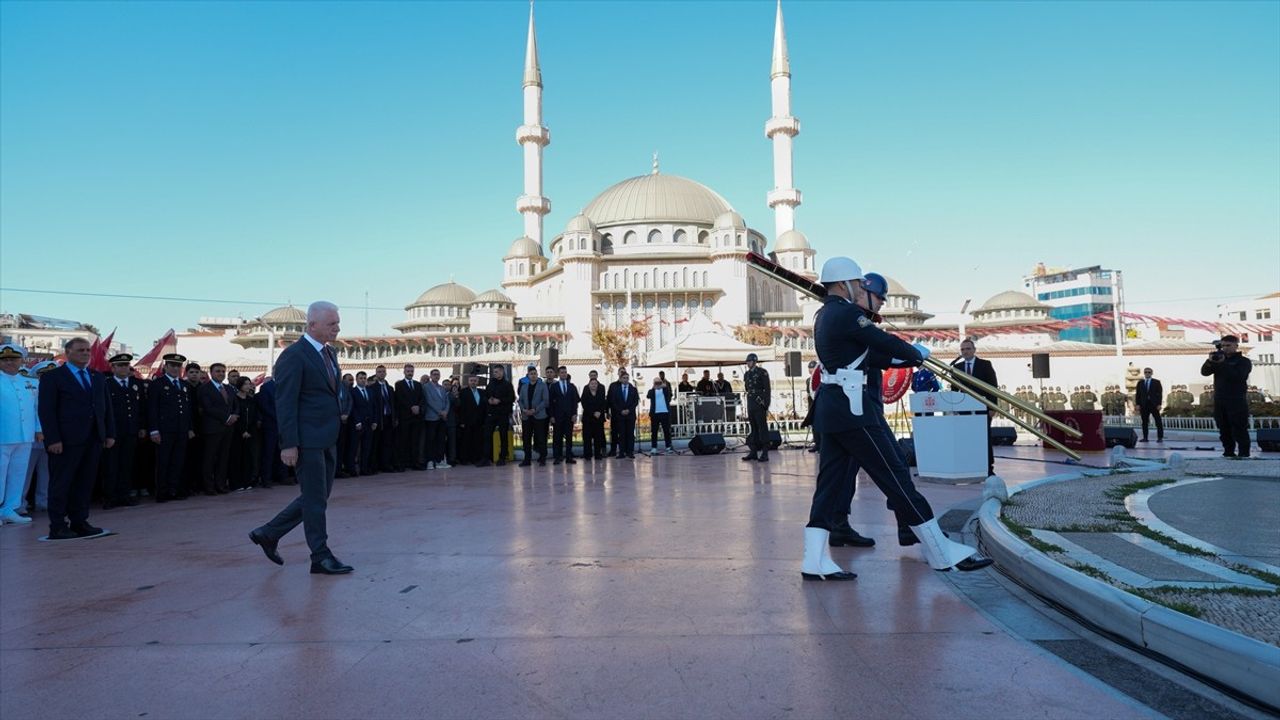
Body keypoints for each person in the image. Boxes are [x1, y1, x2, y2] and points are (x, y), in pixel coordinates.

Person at [806, 257, 990, 580]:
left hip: (832, 411)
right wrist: (914, 352)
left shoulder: (824, 315)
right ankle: (940, 551)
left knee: (829, 485)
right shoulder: (847, 313)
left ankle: (813, 559)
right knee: (895, 476)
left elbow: (872, 355)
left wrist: (910, 360)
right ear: (845, 283)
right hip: (855, 413)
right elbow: (881, 341)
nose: (860, 289)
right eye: (858, 284)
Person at [249, 301, 352, 575]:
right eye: (332, 324)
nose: (337, 328)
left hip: (327, 436)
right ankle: (320, 556)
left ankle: (269, 533)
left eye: (337, 323)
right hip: (306, 440)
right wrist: (289, 443)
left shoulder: (329, 354)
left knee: (316, 497)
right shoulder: (294, 355)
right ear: (312, 325)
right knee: (315, 499)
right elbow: (286, 402)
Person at [37, 337, 116, 540]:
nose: (86, 353)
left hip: (92, 438)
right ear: (68, 352)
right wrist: (53, 439)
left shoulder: (96, 377)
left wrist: (108, 433)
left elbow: (105, 408)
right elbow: (47, 411)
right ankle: (58, 525)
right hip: (65, 440)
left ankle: (80, 521)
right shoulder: (53, 377)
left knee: (85, 482)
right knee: (61, 483)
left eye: (88, 350)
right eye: (80, 350)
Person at [0, 344, 40, 525]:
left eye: (13, 359)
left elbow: (37, 408)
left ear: (21, 361)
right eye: (5, 359)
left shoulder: (30, 382)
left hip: (25, 435)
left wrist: (39, 429)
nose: (9, 362)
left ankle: (9, 509)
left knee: (18, 474)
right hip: (3, 435)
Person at [148, 354, 194, 502]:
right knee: (163, 462)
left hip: (181, 429)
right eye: (172, 365)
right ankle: (162, 492)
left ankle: (174, 489)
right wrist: (154, 430)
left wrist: (189, 428)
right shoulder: (157, 384)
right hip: (164, 429)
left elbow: (188, 409)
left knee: (178, 461)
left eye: (178, 366)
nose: (175, 368)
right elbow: (152, 408)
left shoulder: (184, 385)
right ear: (166, 367)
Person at [101, 353, 145, 509]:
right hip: (114, 431)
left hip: (131, 430)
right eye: (120, 365)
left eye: (126, 365)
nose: (124, 368)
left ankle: (124, 494)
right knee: (111, 465)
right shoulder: (106, 384)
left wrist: (141, 427)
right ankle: (110, 496)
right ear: (112, 368)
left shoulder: (136, 384)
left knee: (127, 464)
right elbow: (104, 410)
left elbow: (141, 408)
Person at [950, 338, 998, 477]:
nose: (965, 351)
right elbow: (954, 390)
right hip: (964, 411)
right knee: (967, 439)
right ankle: (969, 466)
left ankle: (988, 468)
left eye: (968, 349)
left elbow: (993, 387)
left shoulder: (985, 365)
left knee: (984, 439)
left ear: (974, 350)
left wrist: (992, 407)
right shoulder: (957, 368)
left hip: (982, 410)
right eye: (963, 349)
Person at [1201, 335, 1253, 458]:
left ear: (1236, 346)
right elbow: (1204, 372)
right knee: (1223, 428)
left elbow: (1238, 376)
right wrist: (1210, 361)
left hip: (1236, 400)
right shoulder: (1218, 359)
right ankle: (1228, 452)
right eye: (1223, 345)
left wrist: (1223, 363)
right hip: (1220, 400)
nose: (1225, 348)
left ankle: (1244, 453)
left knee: (1239, 428)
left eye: (1228, 345)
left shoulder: (1243, 361)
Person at [22, 360, 58, 515]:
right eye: (43, 375)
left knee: (47, 472)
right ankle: (19, 503)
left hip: (51, 438)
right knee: (24, 473)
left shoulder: (57, 392)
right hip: (31, 438)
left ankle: (44, 501)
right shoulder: (30, 391)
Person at [197, 362, 239, 495]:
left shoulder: (229, 388)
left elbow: (235, 405)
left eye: (222, 371)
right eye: (218, 371)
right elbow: (208, 408)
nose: (221, 373)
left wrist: (234, 415)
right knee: (210, 458)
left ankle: (220, 484)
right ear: (211, 373)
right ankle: (209, 486)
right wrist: (226, 417)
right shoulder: (205, 388)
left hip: (228, 429)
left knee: (223, 457)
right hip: (213, 428)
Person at [477, 365, 515, 466]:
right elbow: (485, 396)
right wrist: (489, 400)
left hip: (503, 413)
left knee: (503, 435)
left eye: (497, 372)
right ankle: (486, 458)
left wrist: (500, 400)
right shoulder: (490, 384)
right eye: (494, 372)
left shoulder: (507, 385)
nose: (495, 374)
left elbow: (511, 398)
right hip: (491, 413)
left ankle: (502, 457)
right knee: (487, 435)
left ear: (502, 372)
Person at [229, 376, 259, 490]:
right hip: (237, 433)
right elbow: (236, 416)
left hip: (249, 433)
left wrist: (249, 430)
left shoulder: (251, 400)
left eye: (249, 383)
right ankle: (236, 483)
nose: (248, 386)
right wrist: (242, 431)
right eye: (245, 384)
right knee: (236, 458)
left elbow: (253, 416)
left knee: (248, 458)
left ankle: (247, 481)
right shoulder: (235, 399)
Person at [741, 353, 771, 462]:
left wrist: (766, 404)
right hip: (751, 402)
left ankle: (765, 452)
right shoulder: (747, 374)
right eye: (747, 361)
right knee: (753, 427)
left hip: (759, 403)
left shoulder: (762, 373)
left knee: (762, 427)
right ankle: (753, 451)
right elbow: (747, 388)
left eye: (749, 361)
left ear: (754, 362)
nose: (748, 363)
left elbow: (767, 389)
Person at [394, 364, 423, 471]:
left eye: (411, 371)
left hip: (416, 418)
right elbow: (400, 399)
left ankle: (415, 463)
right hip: (405, 417)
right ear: (404, 372)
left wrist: (418, 407)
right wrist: (411, 407)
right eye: (408, 371)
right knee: (403, 442)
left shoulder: (418, 385)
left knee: (415, 441)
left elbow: (421, 398)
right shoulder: (399, 385)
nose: (410, 373)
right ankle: (402, 464)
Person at [518, 365, 549, 467]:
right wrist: (523, 409)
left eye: (535, 374)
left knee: (541, 438)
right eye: (531, 374)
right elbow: (520, 400)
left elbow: (545, 401)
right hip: (526, 416)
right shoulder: (524, 386)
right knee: (526, 438)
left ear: (537, 375)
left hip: (539, 415)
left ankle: (542, 458)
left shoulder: (543, 386)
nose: (533, 375)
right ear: (528, 376)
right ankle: (527, 459)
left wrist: (535, 410)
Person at [548, 365, 579, 464]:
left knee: (569, 437)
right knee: (557, 437)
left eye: (565, 372)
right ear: (558, 374)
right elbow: (550, 402)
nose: (564, 374)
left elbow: (575, 401)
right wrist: (551, 416)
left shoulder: (572, 386)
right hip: (557, 416)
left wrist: (575, 414)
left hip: (569, 416)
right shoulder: (554, 386)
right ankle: (558, 457)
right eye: (562, 372)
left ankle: (569, 457)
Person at [369, 365, 396, 473]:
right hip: (378, 419)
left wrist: (395, 418)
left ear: (386, 373)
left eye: (383, 371)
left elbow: (393, 404)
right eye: (379, 372)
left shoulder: (390, 388)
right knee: (376, 443)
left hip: (388, 418)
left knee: (387, 443)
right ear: (376, 373)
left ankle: (386, 465)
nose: (381, 373)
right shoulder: (372, 388)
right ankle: (375, 466)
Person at [347, 371, 376, 475]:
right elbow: (352, 407)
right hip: (357, 424)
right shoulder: (352, 391)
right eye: (361, 378)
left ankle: (364, 469)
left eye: (364, 378)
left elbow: (374, 406)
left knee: (367, 447)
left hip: (369, 424)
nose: (363, 380)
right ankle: (352, 469)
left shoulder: (370, 391)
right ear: (357, 379)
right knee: (354, 447)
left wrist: (374, 421)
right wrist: (357, 421)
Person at [422, 369, 451, 469]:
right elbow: (429, 401)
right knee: (430, 440)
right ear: (430, 376)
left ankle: (439, 460)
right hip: (431, 417)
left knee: (441, 440)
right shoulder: (426, 387)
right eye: (434, 374)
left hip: (442, 418)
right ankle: (430, 461)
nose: (436, 376)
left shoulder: (442, 388)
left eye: (438, 374)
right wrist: (440, 412)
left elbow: (447, 401)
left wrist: (445, 411)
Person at [608, 369, 639, 458]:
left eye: (627, 378)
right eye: (624, 378)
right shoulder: (616, 389)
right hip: (619, 415)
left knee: (630, 434)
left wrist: (629, 410)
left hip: (630, 415)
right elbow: (613, 402)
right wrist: (620, 410)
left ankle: (630, 452)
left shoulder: (633, 389)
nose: (626, 379)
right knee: (621, 434)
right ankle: (621, 452)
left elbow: (635, 401)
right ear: (620, 379)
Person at [457, 375, 487, 465]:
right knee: (466, 441)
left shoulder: (482, 392)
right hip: (467, 421)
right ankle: (465, 459)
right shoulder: (463, 392)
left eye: (475, 380)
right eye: (471, 380)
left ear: (477, 382)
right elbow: (461, 408)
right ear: (468, 381)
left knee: (477, 441)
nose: (473, 382)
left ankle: (476, 458)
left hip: (479, 421)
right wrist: (462, 421)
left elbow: (484, 407)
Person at [579, 370, 608, 460]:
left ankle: (598, 454)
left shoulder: (602, 388)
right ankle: (587, 455)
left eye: (595, 384)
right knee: (587, 437)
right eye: (592, 384)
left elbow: (603, 402)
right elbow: (584, 403)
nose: (594, 385)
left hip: (599, 418)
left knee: (598, 437)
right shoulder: (585, 389)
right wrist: (593, 413)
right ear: (589, 384)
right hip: (588, 418)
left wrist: (599, 411)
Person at [646, 376, 674, 455]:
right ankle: (654, 448)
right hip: (655, 414)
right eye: (656, 383)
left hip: (665, 413)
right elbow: (648, 396)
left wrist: (664, 386)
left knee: (666, 431)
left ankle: (668, 447)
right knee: (654, 431)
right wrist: (654, 387)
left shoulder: (665, 390)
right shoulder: (651, 391)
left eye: (659, 383)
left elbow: (670, 395)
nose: (658, 384)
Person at [1134, 368, 1164, 443]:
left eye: (1149, 372)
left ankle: (1160, 437)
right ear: (1144, 373)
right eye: (1146, 372)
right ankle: (1145, 437)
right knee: (1144, 422)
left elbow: (1159, 394)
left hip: (1154, 405)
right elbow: (1138, 394)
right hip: (1144, 405)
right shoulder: (1140, 383)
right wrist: (1137, 404)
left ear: (1151, 373)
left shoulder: (1156, 382)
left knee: (1158, 421)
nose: (1147, 373)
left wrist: (1159, 404)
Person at [336, 373, 354, 478]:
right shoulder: (330, 385)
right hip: (334, 421)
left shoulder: (344, 387)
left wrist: (346, 414)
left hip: (344, 421)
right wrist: (338, 415)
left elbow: (349, 401)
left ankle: (338, 469)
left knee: (341, 446)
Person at [444, 378, 460, 466]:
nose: (447, 386)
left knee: (452, 442)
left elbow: (458, 405)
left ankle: (452, 459)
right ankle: (441, 458)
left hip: (451, 422)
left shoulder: (453, 395)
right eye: (445, 384)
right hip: (440, 421)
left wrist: (456, 396)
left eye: (448, 385)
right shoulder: (439, 394)